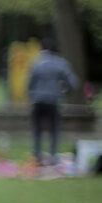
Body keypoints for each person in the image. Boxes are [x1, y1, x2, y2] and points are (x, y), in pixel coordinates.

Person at [28, 37, 80, 165]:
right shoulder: (60, 63)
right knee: (54, 129)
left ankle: (37, 156)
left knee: (37, 129)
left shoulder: (36, 62)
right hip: (53, 101)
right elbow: (74, 83)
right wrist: (65, 90)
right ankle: (53, 156)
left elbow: (30, 84)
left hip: (38, 101)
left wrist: (33, 95)